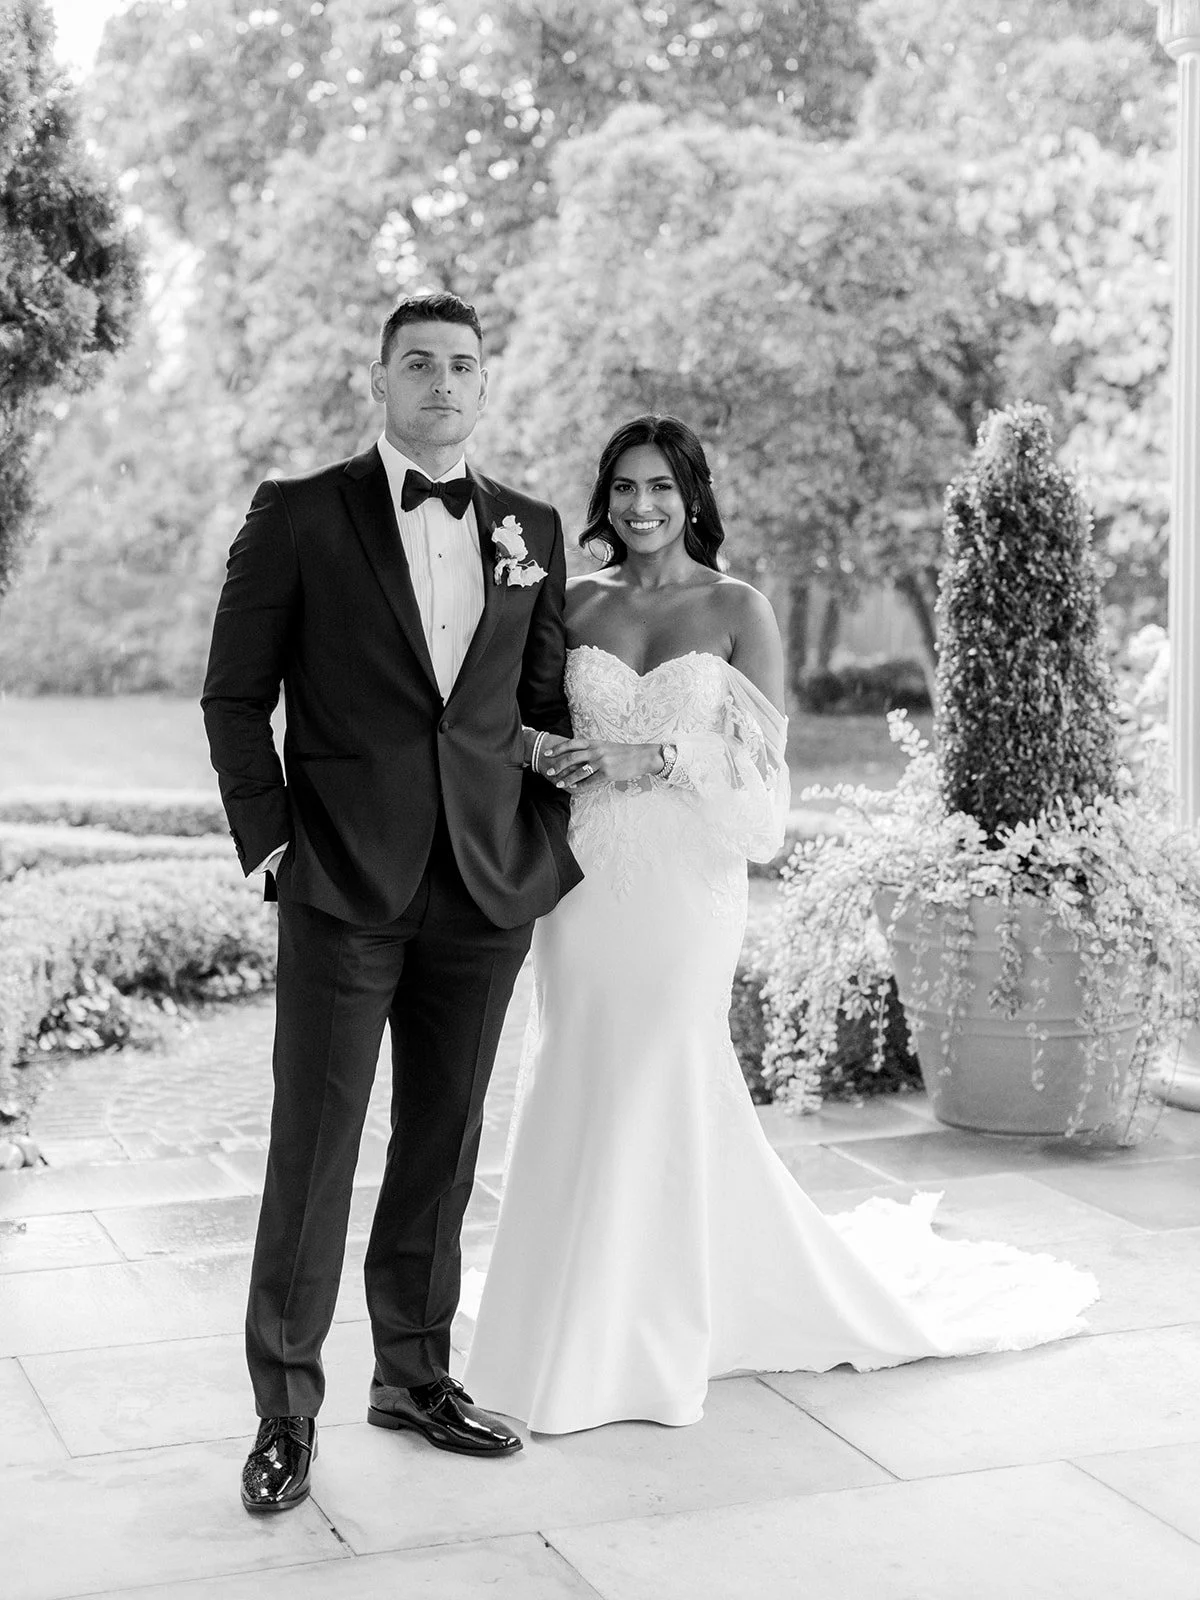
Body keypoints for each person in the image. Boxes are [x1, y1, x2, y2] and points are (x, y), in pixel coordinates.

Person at [461, 414, 1098, 1435]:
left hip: (685, 884)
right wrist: (546, 750)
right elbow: (512, 724)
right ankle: (560, 1314)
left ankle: (650, 1336)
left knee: (662, 1071)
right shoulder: (571, 603)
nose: (641, 506)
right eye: (623, 487)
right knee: (576, 1061)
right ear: (603, 500)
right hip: (581, 883)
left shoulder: (738, 609)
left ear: (693, 497)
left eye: (660, 487)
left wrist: (656, 759)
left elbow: (764, 794)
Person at [202, 290, 581, 1511]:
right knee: (313, 1149)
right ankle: (285, 1411)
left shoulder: (530, 524)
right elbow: (232, 696)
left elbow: (540, 702)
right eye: (417, 364)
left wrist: (537, 831)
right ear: (379, 381)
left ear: (485, 383)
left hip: (483, 888)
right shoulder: (298, 515)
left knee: (444, 1140)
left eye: (462, 366)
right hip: (340, 885)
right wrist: (273, 847)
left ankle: (414, 1375)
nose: (442, 384)